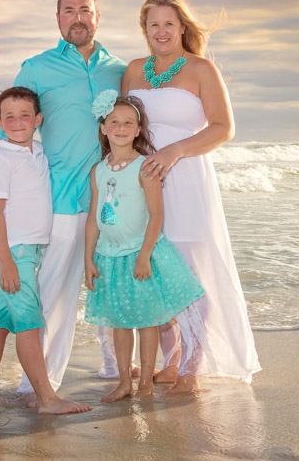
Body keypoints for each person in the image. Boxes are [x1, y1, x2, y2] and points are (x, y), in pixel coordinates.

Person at [0, 0, 127, 392]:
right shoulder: (36, 67)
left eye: (85, 10)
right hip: (61, 197)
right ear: (58, 19)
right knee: (55, 296)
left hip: (110, 196)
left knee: (110, 284)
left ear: (97, 17)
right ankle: (37, 388)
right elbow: (7, 131)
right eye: (69, 11)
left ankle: (116, 368)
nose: (77, 17)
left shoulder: (119, 70)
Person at [121, 0, 261, 394]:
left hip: (186, 179)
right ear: (144, 30)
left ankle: (191, 369)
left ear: (182, 27)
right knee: (157, 271)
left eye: (169, 23)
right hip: (143, 181)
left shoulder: (201, 70)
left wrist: (176, 150)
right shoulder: (133, 71)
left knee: (189, 272)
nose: (161, 31)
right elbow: (122, 123)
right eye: (153, 24)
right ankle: (172, 358)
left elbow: (223, 128)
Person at [0, 87, 91, 414]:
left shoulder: (38, 152)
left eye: (24, 115)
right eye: (8, 117)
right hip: (12, 253)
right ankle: (47, 399)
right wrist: (6, 262)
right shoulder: (2, 159)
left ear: (38, 119)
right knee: (29, 324)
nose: (17, 122)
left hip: (26, 252)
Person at [84, 91, 204, 402]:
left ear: (138, 130)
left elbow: (156, 215)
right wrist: (88, 259)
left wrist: (145, 255)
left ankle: (146, 385)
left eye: (128, 123)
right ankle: (124, 382)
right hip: (109, 258)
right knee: (119, 323)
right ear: (103, 127)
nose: (121, 128)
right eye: (114, 122)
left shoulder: (145, 166)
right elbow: (93, 219)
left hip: (139, 255)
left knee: (147, 321)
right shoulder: (98, 170)